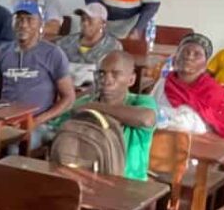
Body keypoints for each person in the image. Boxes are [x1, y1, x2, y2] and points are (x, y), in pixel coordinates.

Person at [49, 50, 157, 180]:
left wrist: (93, 107)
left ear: (131, 79)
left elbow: (146, 120)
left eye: (115, 74)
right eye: (102, 73)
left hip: (129, 183)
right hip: (84, 177)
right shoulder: (84, 101)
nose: (106, 80)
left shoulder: (140, 102)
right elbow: (56, 127)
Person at [0, 0, 75, 151]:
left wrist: (37, 121)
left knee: (13, 148)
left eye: (29, 20)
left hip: (39, 123)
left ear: (40, 24)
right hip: (6, 121)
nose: (23, 24)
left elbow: (69, 98)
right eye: (19, 19)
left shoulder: (53, 53)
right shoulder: (4, 51)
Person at [150, 33, 224, 139]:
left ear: (205, 64)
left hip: (199, 145)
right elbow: (150, 109)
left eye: (197, 54)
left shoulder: (213, 91)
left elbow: (222, 131)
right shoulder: (163, 83)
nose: (189, 57)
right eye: (185, 52)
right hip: (161, 140)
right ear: (175, 58)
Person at [58, 3, 122, 89]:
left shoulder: (113, 46)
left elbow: (114, 75)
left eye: (89, 19)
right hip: (64, 89)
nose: (85, 23)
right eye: (83, 19)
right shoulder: (66, 42)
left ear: (102, 23)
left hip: (96, 91)